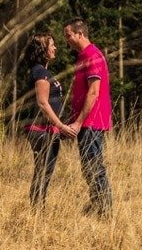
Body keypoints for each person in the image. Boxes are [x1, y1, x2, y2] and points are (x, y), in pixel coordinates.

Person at [64, 17, 113, 217]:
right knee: (88, 167)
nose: (66, 40)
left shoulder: (92, 55)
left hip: (91, 122)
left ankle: (104, 211)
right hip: (86, 123)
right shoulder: (82, 56)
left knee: (94, 167)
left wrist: (78, 121)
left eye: (68, 35)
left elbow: (93, 92)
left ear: (80, 34)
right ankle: (98, 206)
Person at [22, 33, 75, 207]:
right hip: (41, 131)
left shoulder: (42, 71)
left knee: (44, 172)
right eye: (51, 45)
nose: (55, 48)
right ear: (42, 49)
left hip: (47, 130)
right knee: (43, 172)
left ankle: (38, 210)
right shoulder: (40, 73)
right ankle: (37, 211)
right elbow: (43, 104)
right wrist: (61, 126)